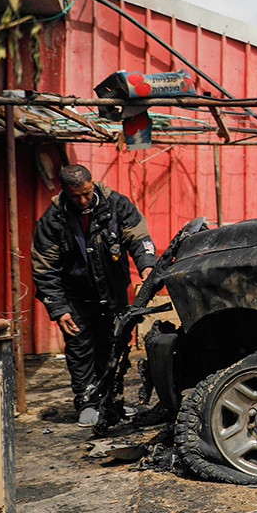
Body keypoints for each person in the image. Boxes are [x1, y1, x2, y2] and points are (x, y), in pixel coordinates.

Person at [32, 164, 156, 427]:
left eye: (86, 193)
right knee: (80, 349)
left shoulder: (116, 205)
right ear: (65, 191)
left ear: (92, 184)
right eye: (76, 196)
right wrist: (58, 308)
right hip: (75, 297)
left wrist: (147, 264)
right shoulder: (53, 219)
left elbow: (138, 237)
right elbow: (44, 267)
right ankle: (87, 402)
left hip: (112, 292)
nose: (83, 200)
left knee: (113, 345)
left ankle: (111, 401)